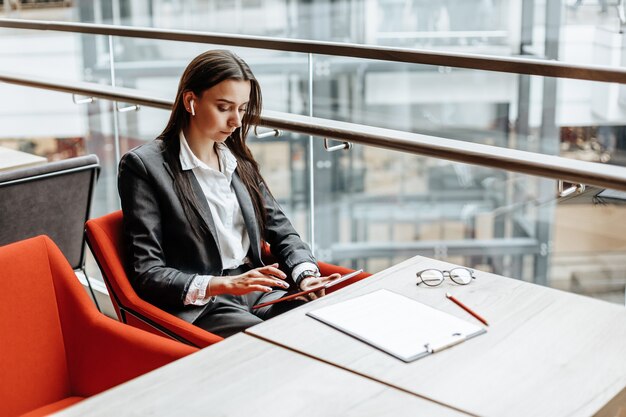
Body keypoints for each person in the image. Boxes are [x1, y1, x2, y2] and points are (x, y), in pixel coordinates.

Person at [118, 50, 339, 338]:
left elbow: (282, 232)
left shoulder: (238, 160)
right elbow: (148, 273)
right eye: (224, 107)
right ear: (190, 101)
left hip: (258, 288)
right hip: (206, 302)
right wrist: (222, 285)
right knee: (273, 343)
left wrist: (307, 276)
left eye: (243, 109)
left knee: (318, 324)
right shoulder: (144, 167)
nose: (236, 121)